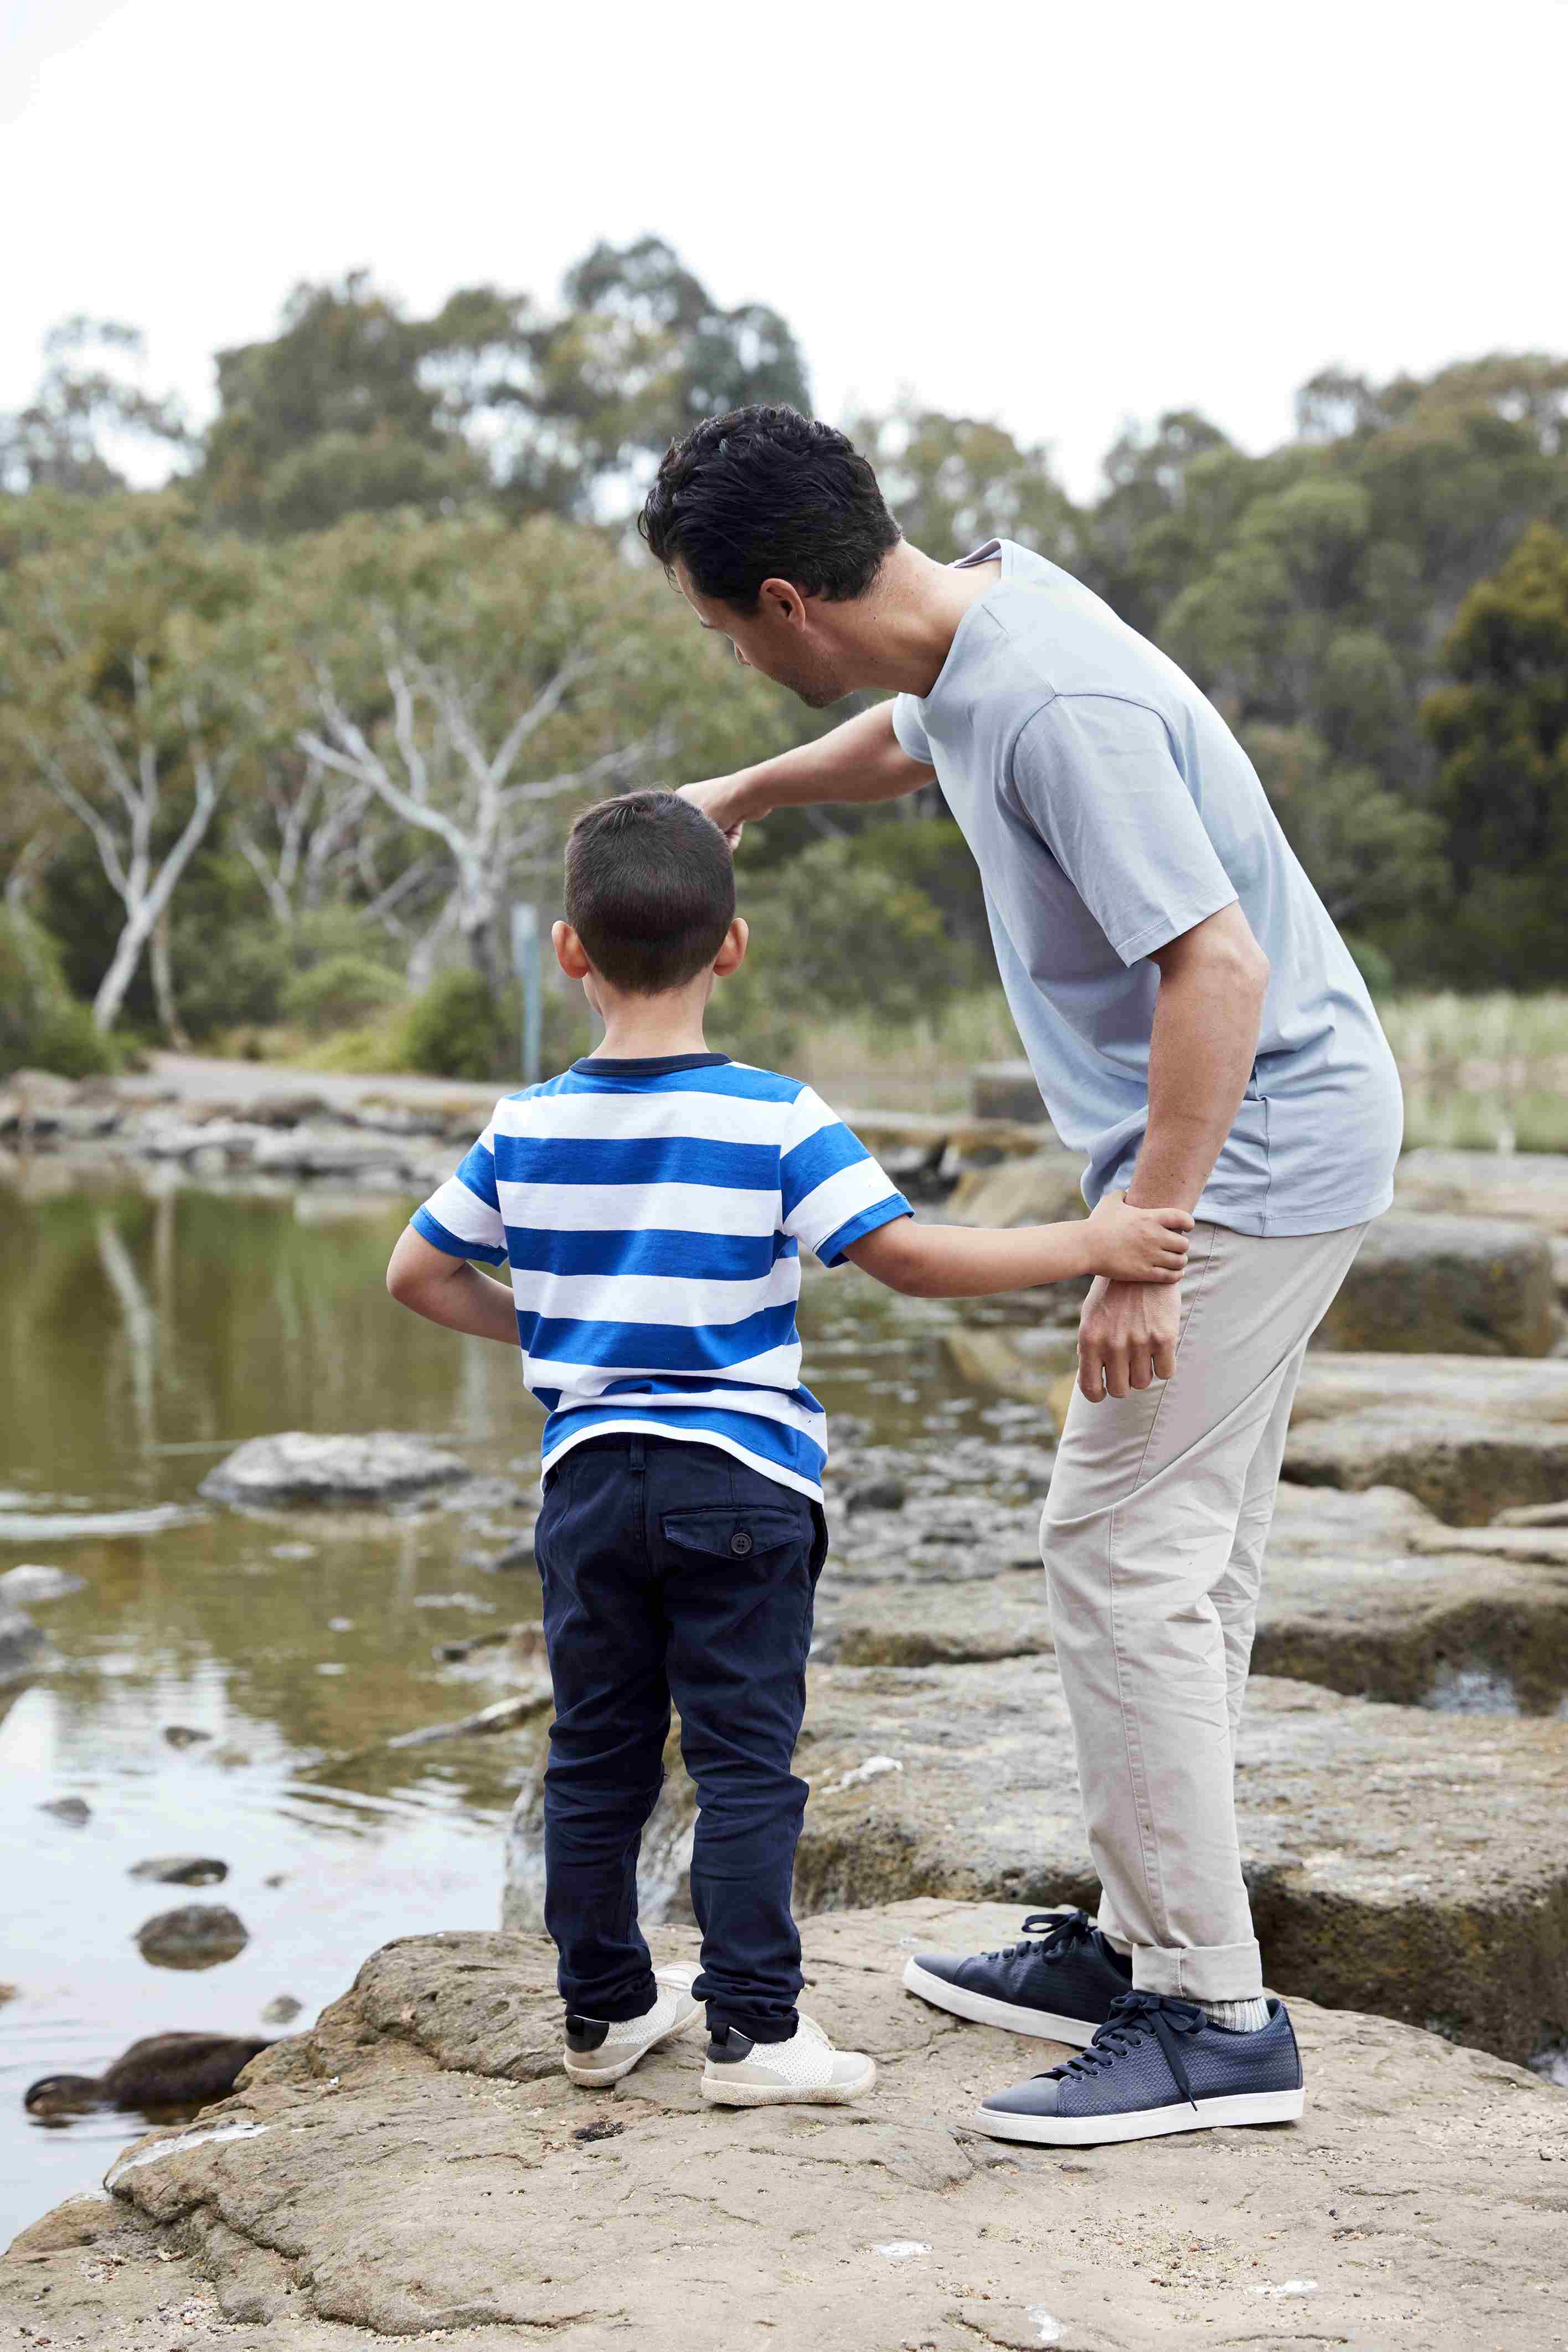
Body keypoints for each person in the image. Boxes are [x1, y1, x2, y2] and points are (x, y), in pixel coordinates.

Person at [639, 406, 1404, 2148]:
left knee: (1117, 1548)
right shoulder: (981, 616)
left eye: (716, 629)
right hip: (1281, 1136)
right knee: (1182, 1551)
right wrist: (749, 787)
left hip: (1256, 1146)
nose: (729, 655)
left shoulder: (1060, 704)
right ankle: (1148, 1940)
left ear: (781, 603)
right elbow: (917, 733)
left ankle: (1212, 2015)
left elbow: (1215, 969)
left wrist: (1152, 1243)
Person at [386, 789, 1193, 2112]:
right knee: (743, 1760)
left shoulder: (524, 1124)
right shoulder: (774, 1115)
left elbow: (417, 1274)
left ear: (567, 952)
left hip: (588, 1484)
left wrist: (563, 1332)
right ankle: (754, 2034)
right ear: (734, 947)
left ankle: (601, 2016)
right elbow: (910, 1258)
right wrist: (1091, 1245)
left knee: (594, 1755)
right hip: (742, 1486)